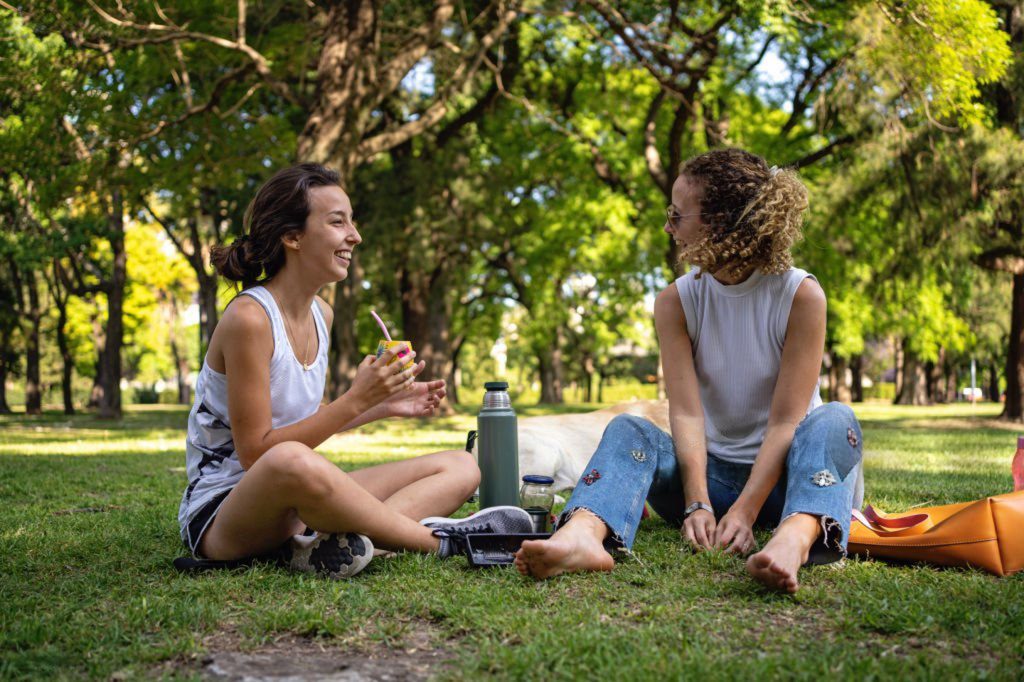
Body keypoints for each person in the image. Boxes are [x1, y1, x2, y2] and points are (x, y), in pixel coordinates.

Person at [515, 148, 864, 593]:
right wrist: (698, 502)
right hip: (712, 481)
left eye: (678, 216)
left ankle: (793, 539)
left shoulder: (800, 296)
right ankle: (583, 535)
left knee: (835, 418)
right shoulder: (676, 301)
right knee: (629, 429)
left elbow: (786, 422)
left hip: (795, 481)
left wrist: (745, 512)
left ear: (720, 226)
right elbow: (685, 413)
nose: (668, 226)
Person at [178, 164, 530, 579]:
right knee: (291, 459)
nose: (355, 236)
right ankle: (446, 543)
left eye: (353, 221)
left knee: (460, 466)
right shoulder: (249, 318)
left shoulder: (320, 314)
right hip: (226, 513)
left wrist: (382, 405)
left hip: (296, 503)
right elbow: (258, 453)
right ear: (292, 237)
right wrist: (356, 398)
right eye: (337, 222)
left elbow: (306, 416)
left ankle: (330, 547)